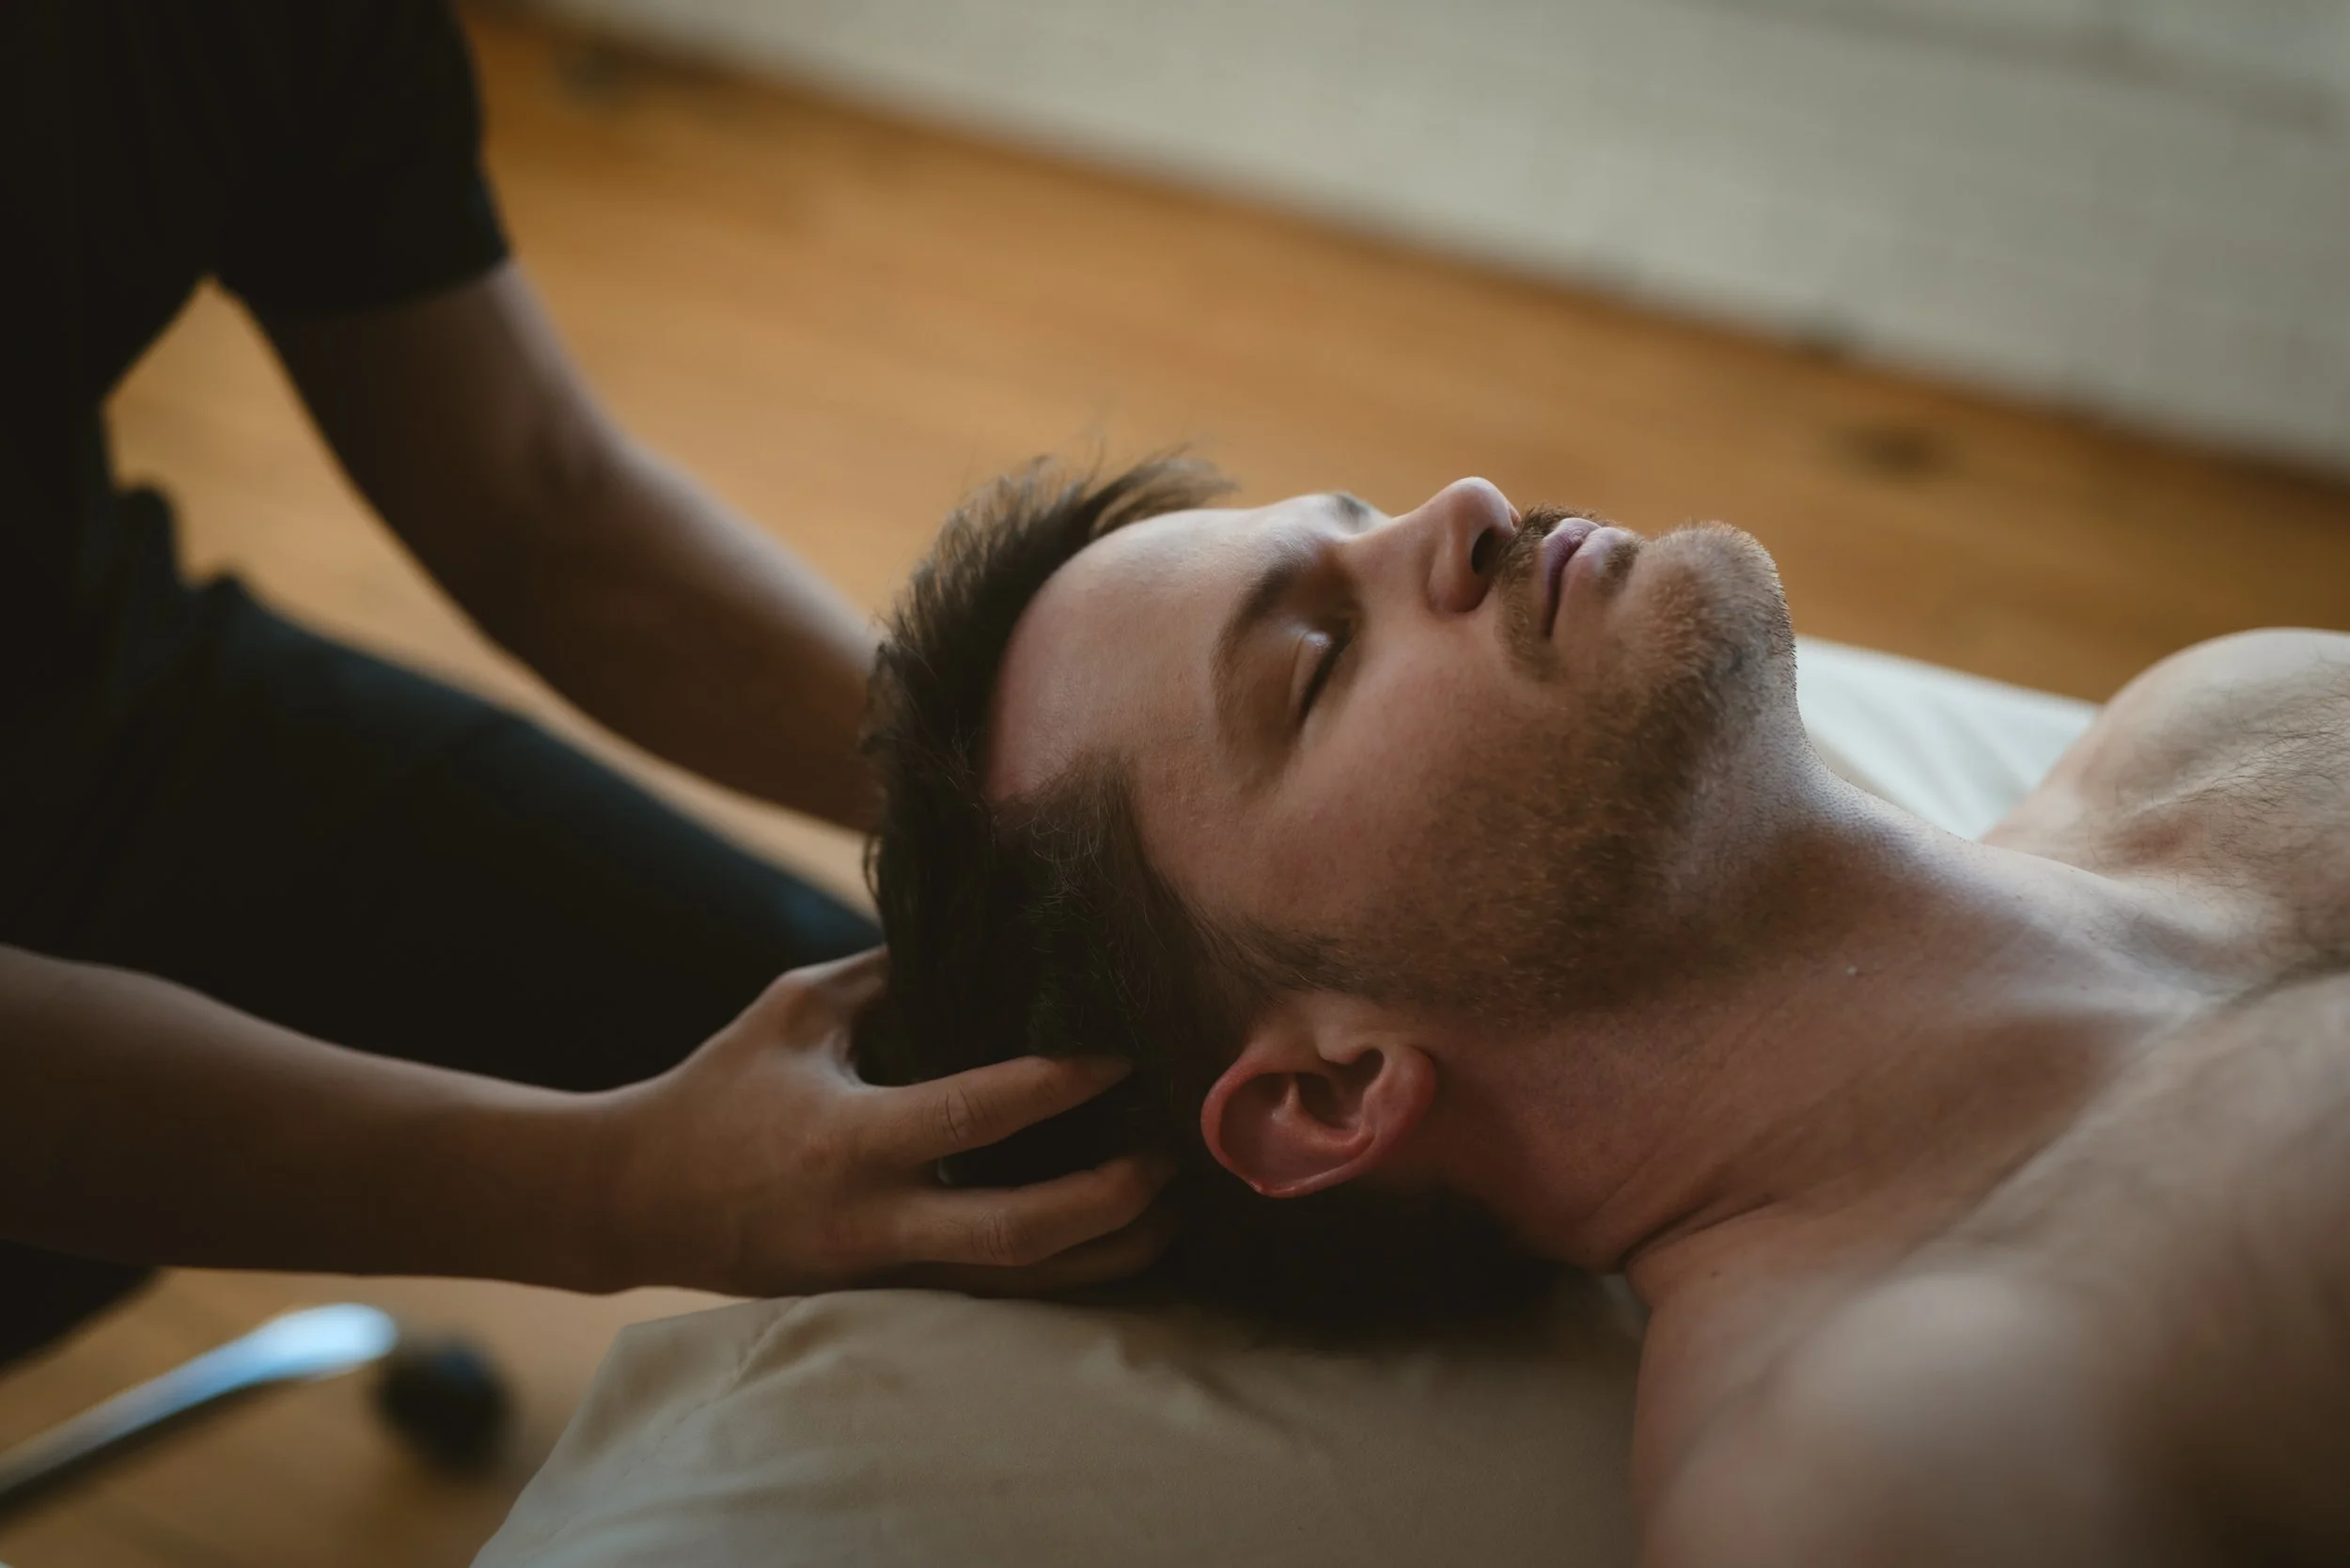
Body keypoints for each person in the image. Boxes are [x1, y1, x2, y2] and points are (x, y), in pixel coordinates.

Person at [859, 456, 2350, 1564]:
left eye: (1362, 516)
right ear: (1328, 1092)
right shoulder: (1892, 1458)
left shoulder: (2236, 711)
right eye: (1316, 661)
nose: (1463, 507)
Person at [0, 2, 1167, 1368]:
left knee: (974, 1125)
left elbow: (540, 503)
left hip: (101, 700)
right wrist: (609, 1193)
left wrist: (1019, 817)